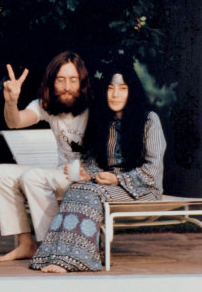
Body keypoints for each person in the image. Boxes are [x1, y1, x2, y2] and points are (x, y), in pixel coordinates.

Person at [29, 67, 166, 273]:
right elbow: (93, 161)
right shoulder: (103, 121)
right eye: (111, 88)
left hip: (143, 189)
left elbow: (153, 169)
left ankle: (77, 259)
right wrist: (88, 174)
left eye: (122, 88)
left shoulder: (149, 120)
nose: (115, 94)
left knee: (91, 193)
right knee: (76, 188)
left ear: (132, 91)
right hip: (108, 185)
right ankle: (56, 254)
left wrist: (117, 179)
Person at [0, 51, 90, 262]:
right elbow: (15, 122)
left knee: (33, 176)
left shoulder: (93, 107)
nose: (66, 86)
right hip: (61, 174)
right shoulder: (46, 105)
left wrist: (91, 171)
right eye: (60, 80)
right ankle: (26, 244)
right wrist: (11, 101)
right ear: (51, 82)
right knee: (0, 172)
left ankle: (53, 247)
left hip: (86, 177)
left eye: (73, 80)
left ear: (81, 82)